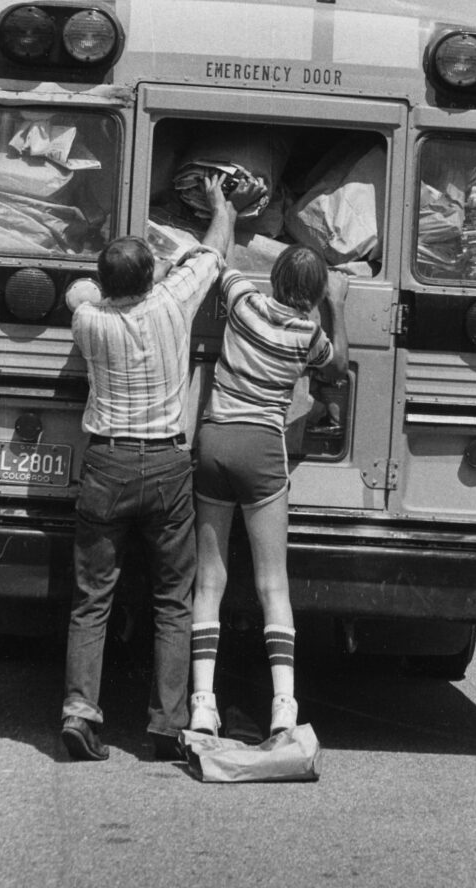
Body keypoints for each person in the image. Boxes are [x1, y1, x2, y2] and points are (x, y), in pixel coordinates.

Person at [60, 175, 237, 762]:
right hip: (165, 464)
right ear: (149, 278)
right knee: (173, 598)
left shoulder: (89, 322)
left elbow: (78, 292)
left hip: (106, 464)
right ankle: (166, 722)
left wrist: (99, 283)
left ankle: (80, 711)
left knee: (92, 599)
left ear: (108, 283)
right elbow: (213, 251)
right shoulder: (172, 303)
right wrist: (220, 206)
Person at [189, 190, 349, 739]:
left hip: (214, 442)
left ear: (274, 279)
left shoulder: (245, 303)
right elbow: (339, 366)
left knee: (209, 581)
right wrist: (337, 305)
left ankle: (202, 704)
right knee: (272, 585)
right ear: (315, 293)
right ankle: (284, 708)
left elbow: (219, 260)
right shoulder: (309, 336)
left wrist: (226, 211)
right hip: (262, 451)